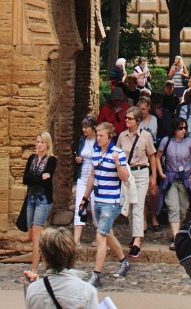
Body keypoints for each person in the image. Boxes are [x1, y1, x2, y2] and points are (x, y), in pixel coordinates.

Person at [79, 121, 132, 288]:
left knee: (100, 235)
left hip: (111, 202)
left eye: (101, 135)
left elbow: (125, 177)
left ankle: (96, 274)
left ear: (110, 137)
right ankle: (124, 261)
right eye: (98, 135)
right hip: (98, 199)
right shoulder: (95, 152)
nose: (99, 138)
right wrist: (85, 198)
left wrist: (117, 163)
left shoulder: (118, 153)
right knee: (108, 233)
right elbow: (92, 176)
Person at [116, 106, 158, 259]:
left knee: (139, 204)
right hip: (128, 175)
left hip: (141, 173)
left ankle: (137, 242)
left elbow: (152, 156)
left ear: (138, 121)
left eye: (130, 118)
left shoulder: (146, 136)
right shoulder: (122, 136)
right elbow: (118, 155)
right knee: (130, 205)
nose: (127, 120)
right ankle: (135, 234)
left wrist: (154, 176)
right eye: (126, 118)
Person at [23, 226, 98, 309]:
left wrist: (36, 286)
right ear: (72, 256)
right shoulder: (87, 291)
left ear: (44, 258)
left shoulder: (33, 290)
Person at [157, 117, 191, 246]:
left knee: (183, 208)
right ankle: (176, 238)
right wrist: (161, 173)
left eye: (185, 128)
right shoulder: (166, 141)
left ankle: (179, 232)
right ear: (174, 129)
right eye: (180, 128)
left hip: (185, 179)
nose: (183, 131)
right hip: (171, 179)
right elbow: (157, 156)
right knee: (173, 207)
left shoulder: (189, 142)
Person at [23, 132, 57, 273]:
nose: (39, 144)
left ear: (47, 143)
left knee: (37, 235)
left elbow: (47, 180)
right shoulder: (32, 158)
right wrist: (39, 177)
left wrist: (36, 178)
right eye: (37, 142)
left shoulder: (51, 160)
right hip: (31, 198)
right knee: (32, 235)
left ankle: (34, 270)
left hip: (43, 199)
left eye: (42, 142)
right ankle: (48, 261)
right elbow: (26, 178)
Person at [73, 116, 97, 246]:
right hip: (83, 177)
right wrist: (78, 160)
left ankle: (99, 237)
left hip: (95, 179)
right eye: (83, 127)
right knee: (79, 206)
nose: (84, 130)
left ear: (93, 128)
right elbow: (78, 154)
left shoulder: (99, 141)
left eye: (86, 127)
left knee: (95, 207)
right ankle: (76, 239)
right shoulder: (82, 140)